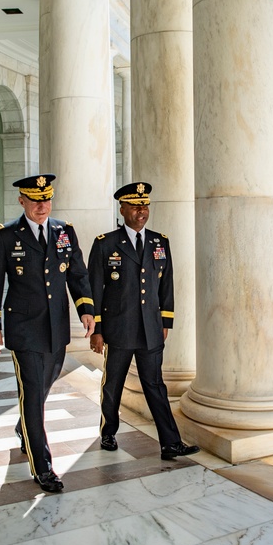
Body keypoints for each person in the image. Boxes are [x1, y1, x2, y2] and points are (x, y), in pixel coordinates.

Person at [0, 174, 95, 492]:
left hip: (56, 327)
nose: (41, 206)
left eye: (46, 199)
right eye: (35, 200)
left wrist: (87, 309)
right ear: (22, 201)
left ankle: (24, 426)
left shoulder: (64, 232)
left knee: (45, 383)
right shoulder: (6, 237)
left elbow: (78, 274)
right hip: (23, 328)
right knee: (32, 394)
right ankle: (42, 467)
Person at [89, 182, 199, 461]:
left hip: (150, 330)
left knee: (155, 385)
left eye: (145, 206)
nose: (142, 211)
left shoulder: (159, 242)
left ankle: (170, 443)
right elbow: (95, 290)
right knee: (113, 384)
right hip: (118, 329)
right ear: (122, 208)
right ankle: (108, 432)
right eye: (136, 206)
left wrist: (165, 322)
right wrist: (97, 330)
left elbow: (167, 287)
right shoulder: (106, 244)